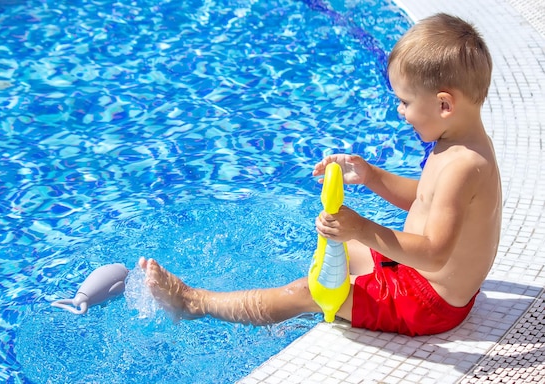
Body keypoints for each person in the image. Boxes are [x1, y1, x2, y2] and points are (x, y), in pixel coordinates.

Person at [139, 13, 502, 336]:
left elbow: (436, 254)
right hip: (419, 277)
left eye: (406, 101)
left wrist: (363, 227)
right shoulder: (458, 142)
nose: (400, 111)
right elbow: (425, 200)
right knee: (335, 252)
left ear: (443, 104)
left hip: (427, 303)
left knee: (306, 290)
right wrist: (372, 175)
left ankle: (194, 303)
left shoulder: (462, 166)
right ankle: (303, 309)